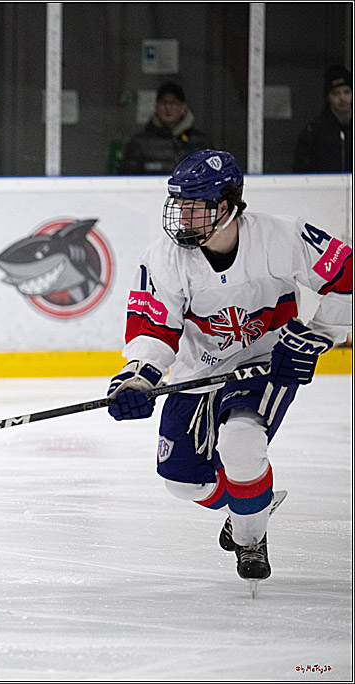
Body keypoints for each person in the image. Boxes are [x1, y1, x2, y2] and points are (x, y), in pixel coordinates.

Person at [106, 149, 352, 587]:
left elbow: (346, 275)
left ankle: (251, 537)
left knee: (241, 442)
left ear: (226, 205)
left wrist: (318, 335)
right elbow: (154, 324)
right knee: (181, 483)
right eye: (179, 205)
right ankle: (251, 504)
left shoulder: (280, 236)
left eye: (194, 207)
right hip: (197, 372)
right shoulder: (165, 257)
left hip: (264, 364)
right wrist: (138, 375)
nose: (182, 217)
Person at [120, 82, 211, 175]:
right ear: (156, 107)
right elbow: (128, 180)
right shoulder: (139, 144)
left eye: (173, 103)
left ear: (183, 108)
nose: (168, 107)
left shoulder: (200, 142)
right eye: (164, 102)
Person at [293, 64, 353, 173]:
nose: (342, 98)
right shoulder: (314, 132)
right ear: (328, 97)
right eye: (335, 94)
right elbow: (302, 171)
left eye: (347, 92)